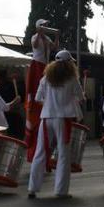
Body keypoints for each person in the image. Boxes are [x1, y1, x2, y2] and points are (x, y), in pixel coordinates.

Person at [28, 50, 83, 199]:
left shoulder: (45, 79)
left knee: (40, 152)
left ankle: (32, 188)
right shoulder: (72, 79)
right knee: (63, 154)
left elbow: (38, 98)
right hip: (63, 119)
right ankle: (61, 191)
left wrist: (50, 103)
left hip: (46, 118)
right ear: (68, 63)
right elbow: (81, 97)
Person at [25, 19, 60, 163]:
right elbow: (33, 45)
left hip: (45, 65)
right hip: (37, 64)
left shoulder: (47, 38)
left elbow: (54, 48)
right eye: (43, 25)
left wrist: (57, 36)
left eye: (46, 25)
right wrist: (39, 34)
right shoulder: (36, 37)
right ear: (38, 27)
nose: (46, 27)